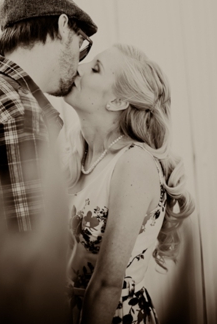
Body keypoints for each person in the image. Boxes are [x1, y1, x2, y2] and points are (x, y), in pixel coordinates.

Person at [64, 44, 195, 323]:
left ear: (117, 101)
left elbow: (107, 283)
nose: (79, 67)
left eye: (95, 68)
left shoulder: (134, 164)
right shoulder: (77, 155)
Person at [0, 0, 97, 231]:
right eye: (82, 45)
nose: (79, 64)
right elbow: (26, 244)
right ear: (63, 26)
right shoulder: (16, 108)